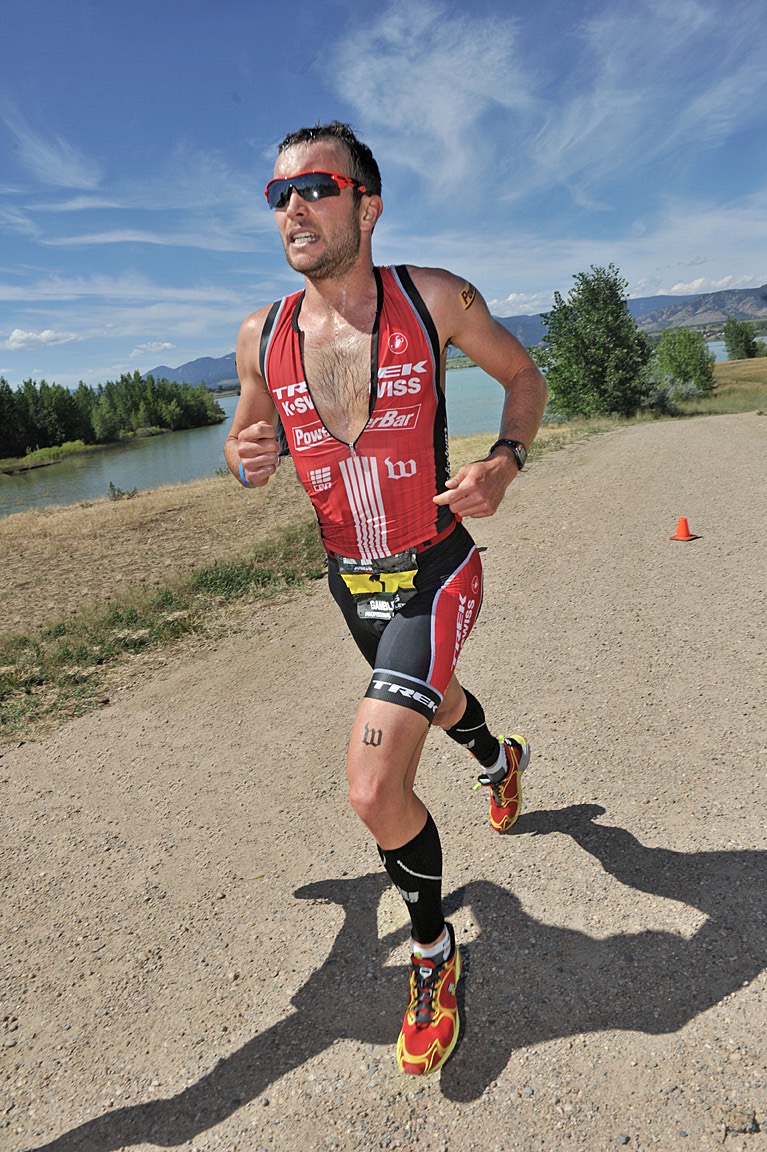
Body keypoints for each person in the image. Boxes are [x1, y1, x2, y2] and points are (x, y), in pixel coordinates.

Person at [224, 121, 548, 1076]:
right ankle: (499, 754)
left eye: (314, 188)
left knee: (373, 783)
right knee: (430, 703)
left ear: (366, 203)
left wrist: (505, 461)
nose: (292, 208)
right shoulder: (262, 335)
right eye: (277, 194)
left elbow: (523, 375)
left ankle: (432, 956)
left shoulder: (433, 297)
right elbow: (249, 447)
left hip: (436, 566)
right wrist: (248, 457)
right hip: (348, 583)